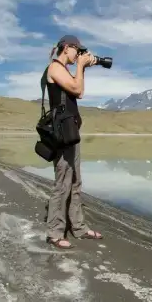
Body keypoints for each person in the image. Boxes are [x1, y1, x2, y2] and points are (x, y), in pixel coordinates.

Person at [44, 34, 103, 249]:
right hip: (62, 134)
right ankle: (54, 233)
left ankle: (78, 227)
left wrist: (83, 68)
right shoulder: (55, 68)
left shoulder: (65, 70)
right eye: (77, 51)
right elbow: (79, 91)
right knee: (62, 184)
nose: (78, 55)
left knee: (75, 182)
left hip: (70, 133)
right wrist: (80, 66)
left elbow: (77, 90)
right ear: (67, 47)